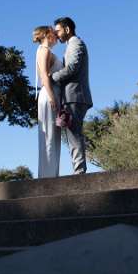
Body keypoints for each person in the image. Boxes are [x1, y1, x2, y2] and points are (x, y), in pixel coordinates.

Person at [49, 17, 92, 175]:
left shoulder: (76, 43)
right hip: (72, 96)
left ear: (67, 29)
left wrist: (51, 77)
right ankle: (78, 170)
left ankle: (79, 172)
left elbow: (72, 67)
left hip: (76, 96)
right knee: (73, 134)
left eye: (58, 30)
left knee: (74, 134)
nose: (56, 34)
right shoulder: (70, 45)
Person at [33, 25, 63, 178]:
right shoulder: (44, 50)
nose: (56, 36)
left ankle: (52, 175)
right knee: (49, 137)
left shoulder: (46, 51)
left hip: (52, 94)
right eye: (53, 33)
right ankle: (48, 177)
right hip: (49, 95)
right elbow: (44, 76)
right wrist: (52, 98)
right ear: (46, 35)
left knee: (53, 137)